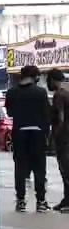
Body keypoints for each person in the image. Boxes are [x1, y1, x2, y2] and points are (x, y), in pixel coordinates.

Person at [6, 64, 52, 212]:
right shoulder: (40, 92)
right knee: (39, 168)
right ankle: (41, 201)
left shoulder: (12, 92)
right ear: (35, 77)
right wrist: (46, 133)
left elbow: (10, 112)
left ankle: (21, 200)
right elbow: (46, 115)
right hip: (37, 133)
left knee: (20, 168)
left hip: (19, 132)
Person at [48, 68, 69, 211]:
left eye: (48, 80)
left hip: (63, 138)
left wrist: (54, 135)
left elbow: (60, 117)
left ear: (53, 80)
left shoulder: (59, 95)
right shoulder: (67, 93)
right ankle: (66, 200)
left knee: (65, 169)